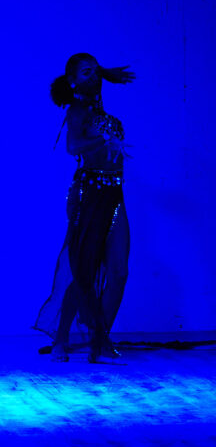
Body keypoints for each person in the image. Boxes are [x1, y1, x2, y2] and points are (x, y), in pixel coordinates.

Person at [33, 53, 134, 363]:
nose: (94, 77)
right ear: (73, 80)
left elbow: (96, 75)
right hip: (88, 194)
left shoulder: (101, 111)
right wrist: (104, 140)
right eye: (86, 72)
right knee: (83, 269)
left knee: (118, 271)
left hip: (114, 194)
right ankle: (62, 338)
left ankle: (100, 339)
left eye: (96, 71)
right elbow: (73, 146)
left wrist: (105, 72)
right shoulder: (77, 111)